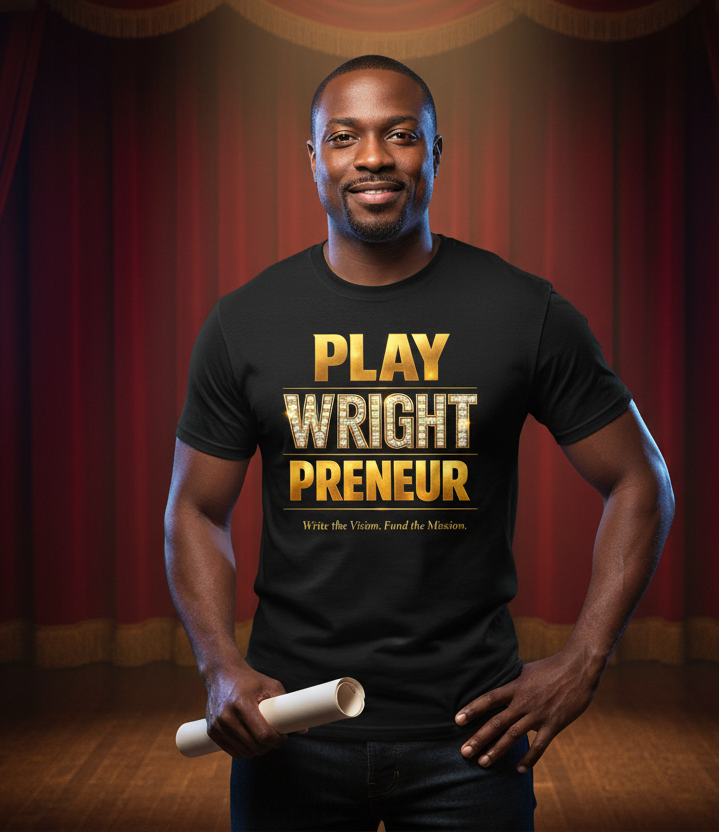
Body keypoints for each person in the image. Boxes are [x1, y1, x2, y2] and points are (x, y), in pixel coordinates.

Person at [164, 54, 674, 831]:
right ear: (314, 159)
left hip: (468, 741)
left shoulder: (523, 310)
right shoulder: (244, 321)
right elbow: (195, 510)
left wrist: (583, 661)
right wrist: (220, 666)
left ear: (435, 152)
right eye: (344, 137)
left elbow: (641, 482)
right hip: (291, 734)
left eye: (401, 135)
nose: (372, 156)